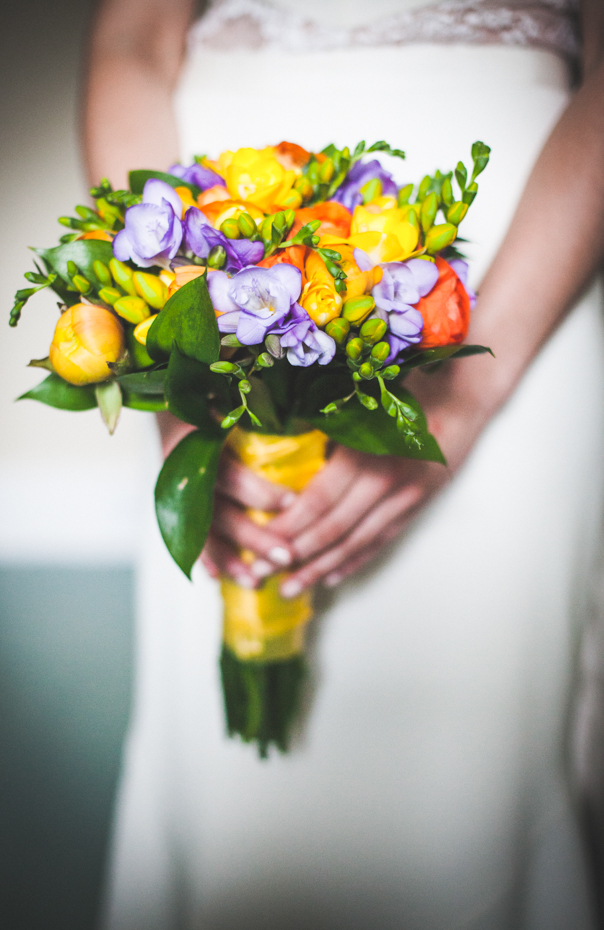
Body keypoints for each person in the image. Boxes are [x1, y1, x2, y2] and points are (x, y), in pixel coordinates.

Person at [84, 1, 604, 927]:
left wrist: (466, 396)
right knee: (234, 807)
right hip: (213, 268)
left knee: (473, 790)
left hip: (519, 298)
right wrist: (173, 361)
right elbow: (130, 39)